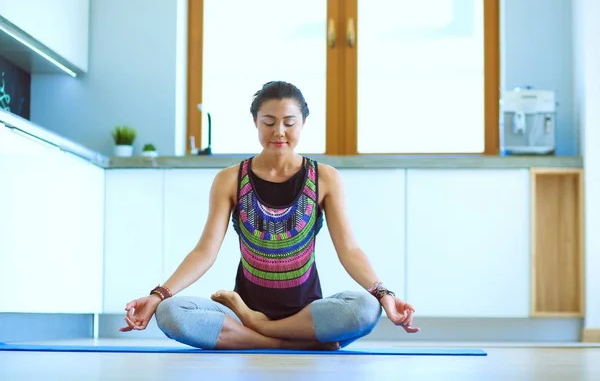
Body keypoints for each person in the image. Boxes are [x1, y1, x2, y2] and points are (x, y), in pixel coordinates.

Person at [119, 81, 420, 351]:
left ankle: (260, 330)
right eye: (269, 122)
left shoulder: (325, 178)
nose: (279, 131)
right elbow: (204, 251)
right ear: (255, 123)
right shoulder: (230, 179)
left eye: (289, 122)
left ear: (303, 123)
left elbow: (350, 250)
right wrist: (159, 295)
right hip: (240, 311)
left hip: (307, 314)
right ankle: (291, 342)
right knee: (171, 314)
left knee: (365, 309)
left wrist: (383, 294)